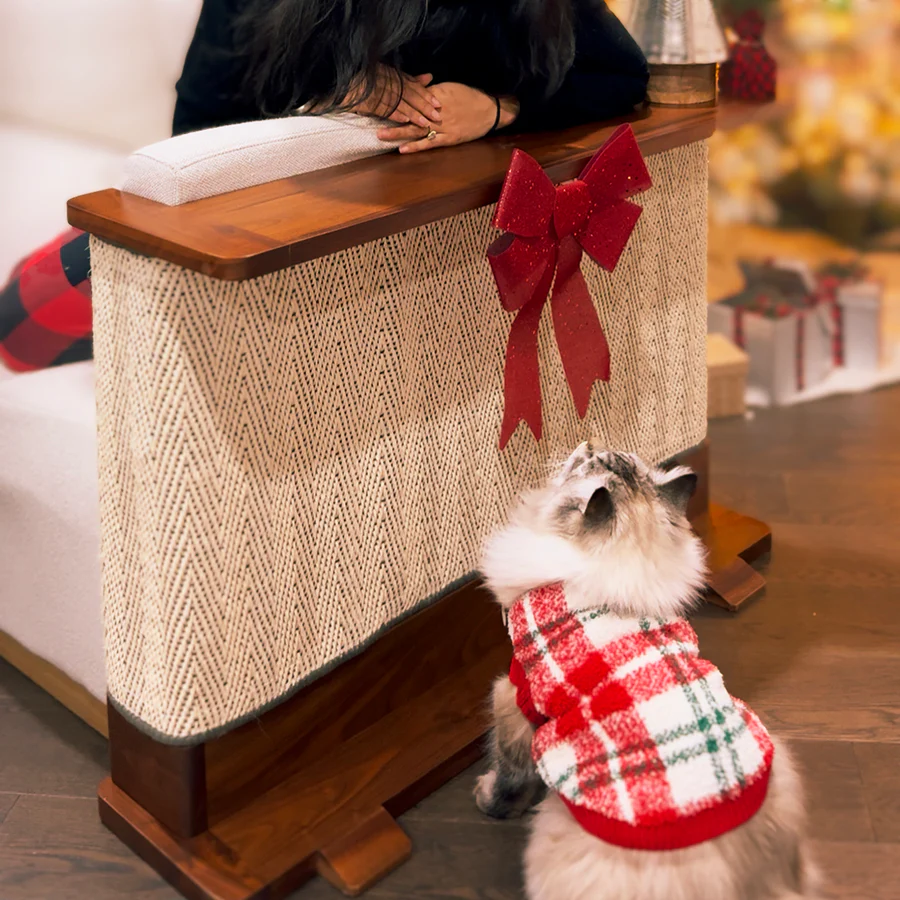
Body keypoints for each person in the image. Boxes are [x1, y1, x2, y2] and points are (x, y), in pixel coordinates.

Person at [173, 0, 649, 154]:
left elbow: (621, 75)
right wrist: (333, 91)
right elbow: (196, 128)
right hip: (271, 235)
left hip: (447, 240)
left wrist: (498, 109)